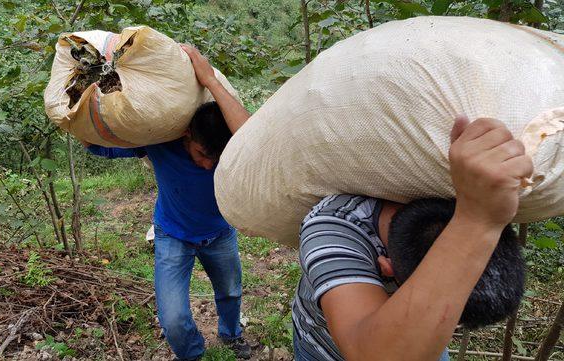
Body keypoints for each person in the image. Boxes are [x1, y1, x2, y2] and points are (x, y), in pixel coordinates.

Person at [292, 116, 532, 361]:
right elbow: (372, 354)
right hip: (322, 348)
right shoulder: (331, 228)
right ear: (387, 268)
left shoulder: (464, 202)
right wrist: (479, 219)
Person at [84, 45, 252, 361]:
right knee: (173, 319)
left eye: (215, 159)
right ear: (187, 135)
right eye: (203, 155)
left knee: (230, 293)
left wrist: (210, 79)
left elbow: (253, 134)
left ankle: (231, 335)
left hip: (220, 234)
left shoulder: (228, 149)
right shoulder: (161, 144)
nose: (208, 165)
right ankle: (192, 355)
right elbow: (107, 148)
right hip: (172, 235)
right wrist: (85, 130)